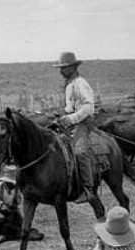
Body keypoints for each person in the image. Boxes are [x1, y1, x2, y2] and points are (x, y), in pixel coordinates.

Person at [54, 51, 96, 203]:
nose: (61, 71)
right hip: (69, 123)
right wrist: (60, 115)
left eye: (64, 68)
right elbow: (69, 107)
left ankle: (88, 189)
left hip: (82, 124)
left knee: (79, 152)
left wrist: (70, 118)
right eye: (60, 68)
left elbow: (88, 107)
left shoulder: (81, 83)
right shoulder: (68, 85)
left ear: (73, 67)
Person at [0, 165, 22, 246]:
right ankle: (0, 232)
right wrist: (1, 205)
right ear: (7, 182)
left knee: (19, 220)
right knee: (0, 219)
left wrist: (15, 203)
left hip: (9, 209)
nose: (13, 185)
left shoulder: (16, 188)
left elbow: (18, 200)